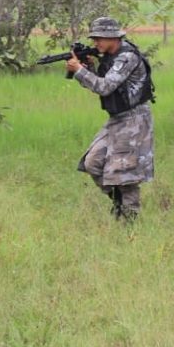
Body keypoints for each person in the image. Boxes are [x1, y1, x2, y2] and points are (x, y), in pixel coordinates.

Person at [67, 16, 155, 221]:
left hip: (134, 119)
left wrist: (79, 71)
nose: (95, 42)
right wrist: (86, 69)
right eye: (94, 38)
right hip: (117, 119)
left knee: (126, 173)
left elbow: (104, 87)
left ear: (112, 38)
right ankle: (119, 203)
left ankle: (130, 221)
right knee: (92, 162)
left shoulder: (127, 57)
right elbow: (99, 84)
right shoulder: (110, 56)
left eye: (99, 38)